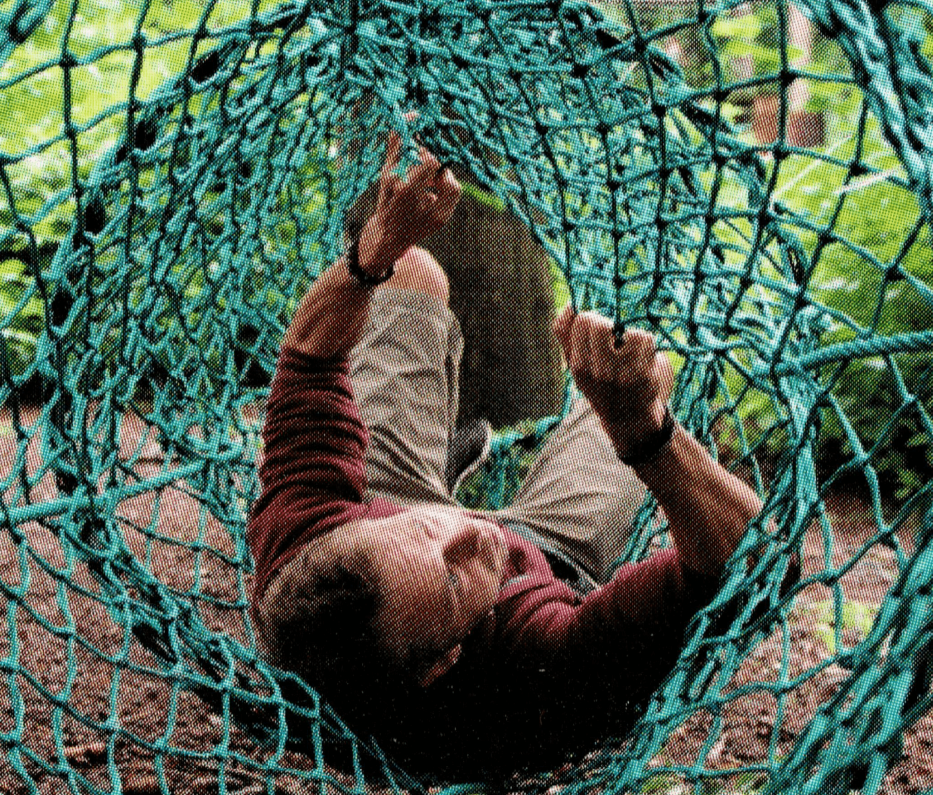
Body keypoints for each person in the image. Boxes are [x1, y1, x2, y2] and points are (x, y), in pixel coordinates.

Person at [248, 123, 776, 781]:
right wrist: (645, 434)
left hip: (397, 515)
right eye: (450, 580)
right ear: (446, 659)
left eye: (425, 533)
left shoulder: (302, 545)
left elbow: (307, 361)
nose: (472, 534)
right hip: (547, 565)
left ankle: (427, 482)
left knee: (406, 271)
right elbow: (753, 564)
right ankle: (463, 475)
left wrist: (372, 256)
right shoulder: (536, 664)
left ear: (348, 525)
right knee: (648, 370)